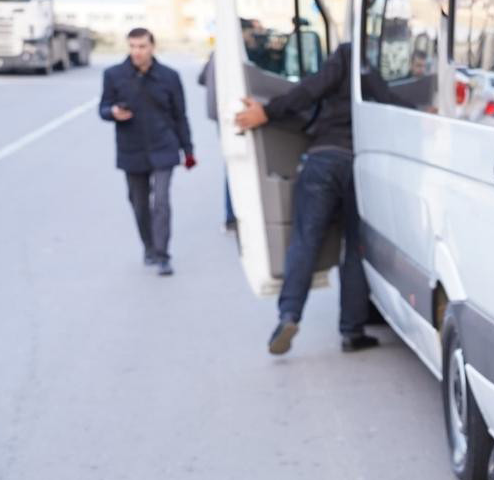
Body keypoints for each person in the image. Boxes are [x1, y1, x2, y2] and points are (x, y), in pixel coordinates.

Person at [234, 42, 395, 355]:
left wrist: (266, 112)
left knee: (305, 240)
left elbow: (309, 90)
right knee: (356, 248)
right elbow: (392, 104)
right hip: (360, 164)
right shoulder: (372, 70)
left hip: (323, 159)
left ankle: (289, 315)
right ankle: (352, 331)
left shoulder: (346, 54)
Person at [99, 27, 194, 276]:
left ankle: (163, 255)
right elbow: (103, 107)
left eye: (142, 46)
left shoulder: (169, 76)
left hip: (164, 146)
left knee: (161, 202)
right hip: (132, 149)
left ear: (152, 47)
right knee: (139, 203)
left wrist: (188, 150)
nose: (137, 52)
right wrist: (113, 113)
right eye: (132, 46)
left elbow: (180, 115)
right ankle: (149, 246)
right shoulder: (114, 75)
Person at [197, 51, 236, 233]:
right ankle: (232, 216)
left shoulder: (216, 53)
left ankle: (230, 217)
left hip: (219, 114)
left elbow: (201, 78)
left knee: (232, 161)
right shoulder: (233, 52)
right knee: (236, 163)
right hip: (231, 114)